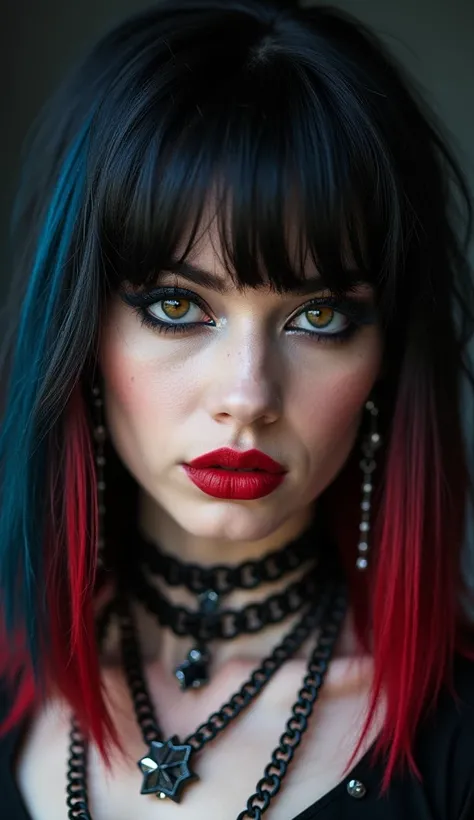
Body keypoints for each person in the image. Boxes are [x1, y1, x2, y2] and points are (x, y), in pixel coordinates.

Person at [1, 0, 473, 817]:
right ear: (79, 331)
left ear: (386, 358)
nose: (247, 398)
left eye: (319, 317)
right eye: (178, 307)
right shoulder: (15, 683)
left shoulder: (455, 741)